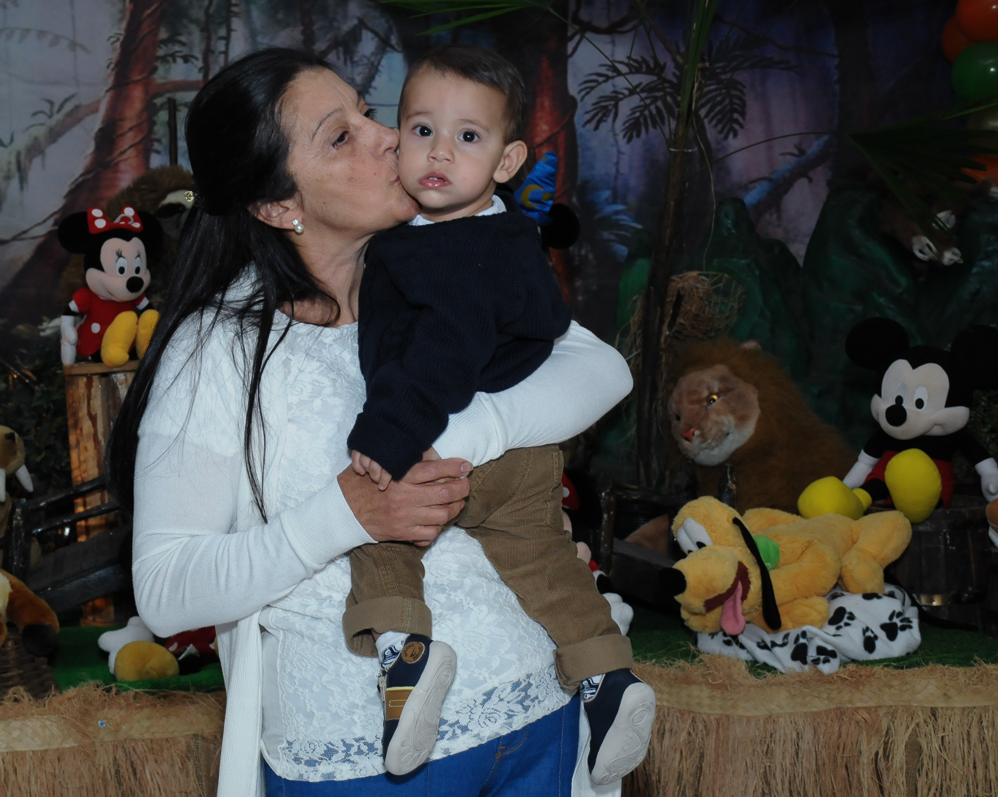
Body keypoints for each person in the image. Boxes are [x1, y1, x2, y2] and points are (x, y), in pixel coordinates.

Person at [108, 47, 641, 797]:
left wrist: (473, 430)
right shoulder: (220, 346)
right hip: (360, 756)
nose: (386, 135)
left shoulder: (445, 259)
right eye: (340, 135)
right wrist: (347, 513)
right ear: (277, 203)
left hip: (532, 711)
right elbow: (165, 590)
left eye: (367, 110)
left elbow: (602, 371)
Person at [342, 45, 654, 785]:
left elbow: (444, 354)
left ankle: (406, 655)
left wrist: (389, 434)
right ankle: (610, 677)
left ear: (509, 159)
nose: (439, 152)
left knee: (373, 527)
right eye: (421, 130)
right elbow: (546, 322)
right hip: (529, 460)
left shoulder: (444, 249)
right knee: (545, 563)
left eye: (468, 137)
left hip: (446, 445)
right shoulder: (510, 237)